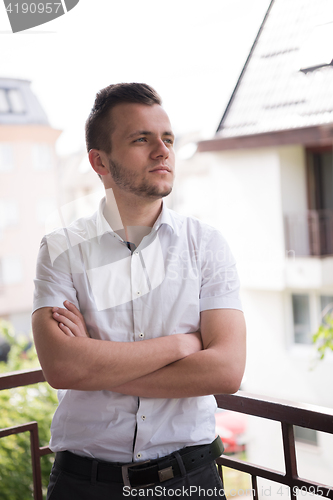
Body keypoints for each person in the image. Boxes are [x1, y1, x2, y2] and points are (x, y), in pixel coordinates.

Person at [32, 83, 246, 500]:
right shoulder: (60, 249)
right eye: (140, 139)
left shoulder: (207, 244)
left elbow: (226, 370)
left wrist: (98, 362)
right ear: (100, 161)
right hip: (85, 485)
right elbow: (63, 369)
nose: (162, 150)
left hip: (190, 480)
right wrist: (184, 344)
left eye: (166, 138)